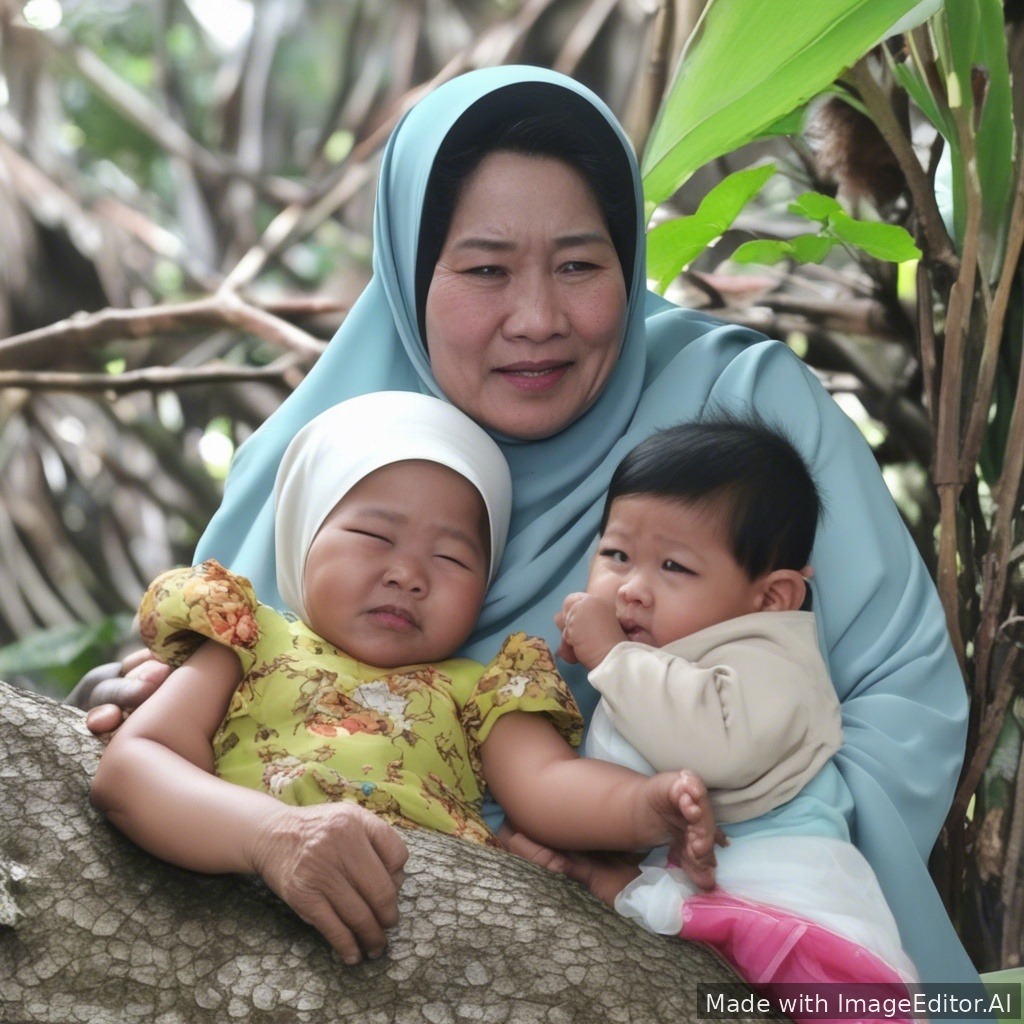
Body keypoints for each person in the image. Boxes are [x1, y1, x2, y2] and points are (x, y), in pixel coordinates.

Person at [76, 65, 977, 994]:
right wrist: (138, 696)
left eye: (581, 265)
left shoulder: (736, 408)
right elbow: (186, 727)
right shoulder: (318, 460)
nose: (538, 319)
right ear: (411, 268)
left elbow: (901, 701)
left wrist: (701, 889)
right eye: (485, 269)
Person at [91, 391, 717, 965]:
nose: (409, 574)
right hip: (235, 897)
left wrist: (650, 807)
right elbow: (135, 765)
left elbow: (549, 787)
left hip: (424, 945)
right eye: (372, 534)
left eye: (450, 557)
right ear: (302, 534)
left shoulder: (481, 688)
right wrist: (272, 836)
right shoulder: (250, 640)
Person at [554, 417, 918, 1014]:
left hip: (787, 900)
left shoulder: (774, 658)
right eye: (616, 554)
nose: (631, 589)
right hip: (694, 891)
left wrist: (612, 657)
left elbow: (712, 748)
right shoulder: (657, 658)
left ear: (770, 598)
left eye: (674, 567)